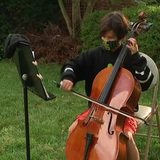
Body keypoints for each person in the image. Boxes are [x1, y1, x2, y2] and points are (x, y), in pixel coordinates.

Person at [60, 11, 154, 160]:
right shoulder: (94, 55)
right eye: (104, 37)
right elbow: (72, 65)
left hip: (123, 114)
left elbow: (147, 81)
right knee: (73, 129)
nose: (106, 41)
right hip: (95, 110)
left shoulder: (131, 57)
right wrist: (68, 77)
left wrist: (136, 56)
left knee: (127, 138)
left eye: (110, 39)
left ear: (122, 37)